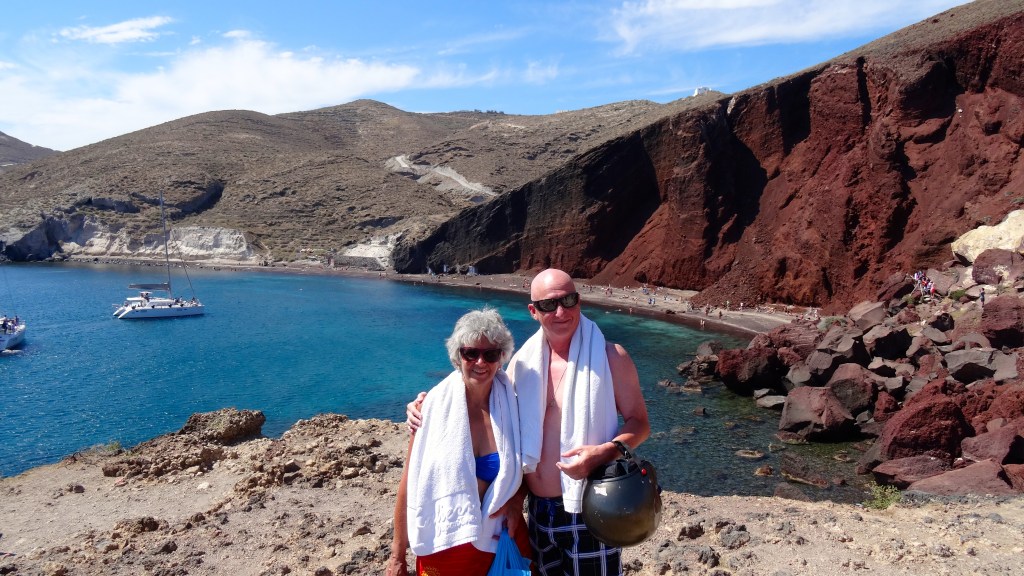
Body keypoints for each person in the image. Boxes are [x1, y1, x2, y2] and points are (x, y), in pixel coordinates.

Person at [407, 268, 651, 575]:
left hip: (591, 505)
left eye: (569, 300)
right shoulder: (522, 366)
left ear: (579, 302)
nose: (561, 311)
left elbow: (640, 423)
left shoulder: (611, 357)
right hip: (537, 512)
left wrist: (602, 453)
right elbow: (486, 397)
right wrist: (424, 404)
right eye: (549, 305)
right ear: (533, 311)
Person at [387, 308, 529, 576]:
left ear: (502, 357)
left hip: (500, 539)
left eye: (490, 354)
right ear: (457, 355)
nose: (480, 362)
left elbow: (530, 466)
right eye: (470, 353)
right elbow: (410, 481)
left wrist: (516, 500)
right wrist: (397, 556)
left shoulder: (514, 406)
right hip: (445, 542)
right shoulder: (430, 409)